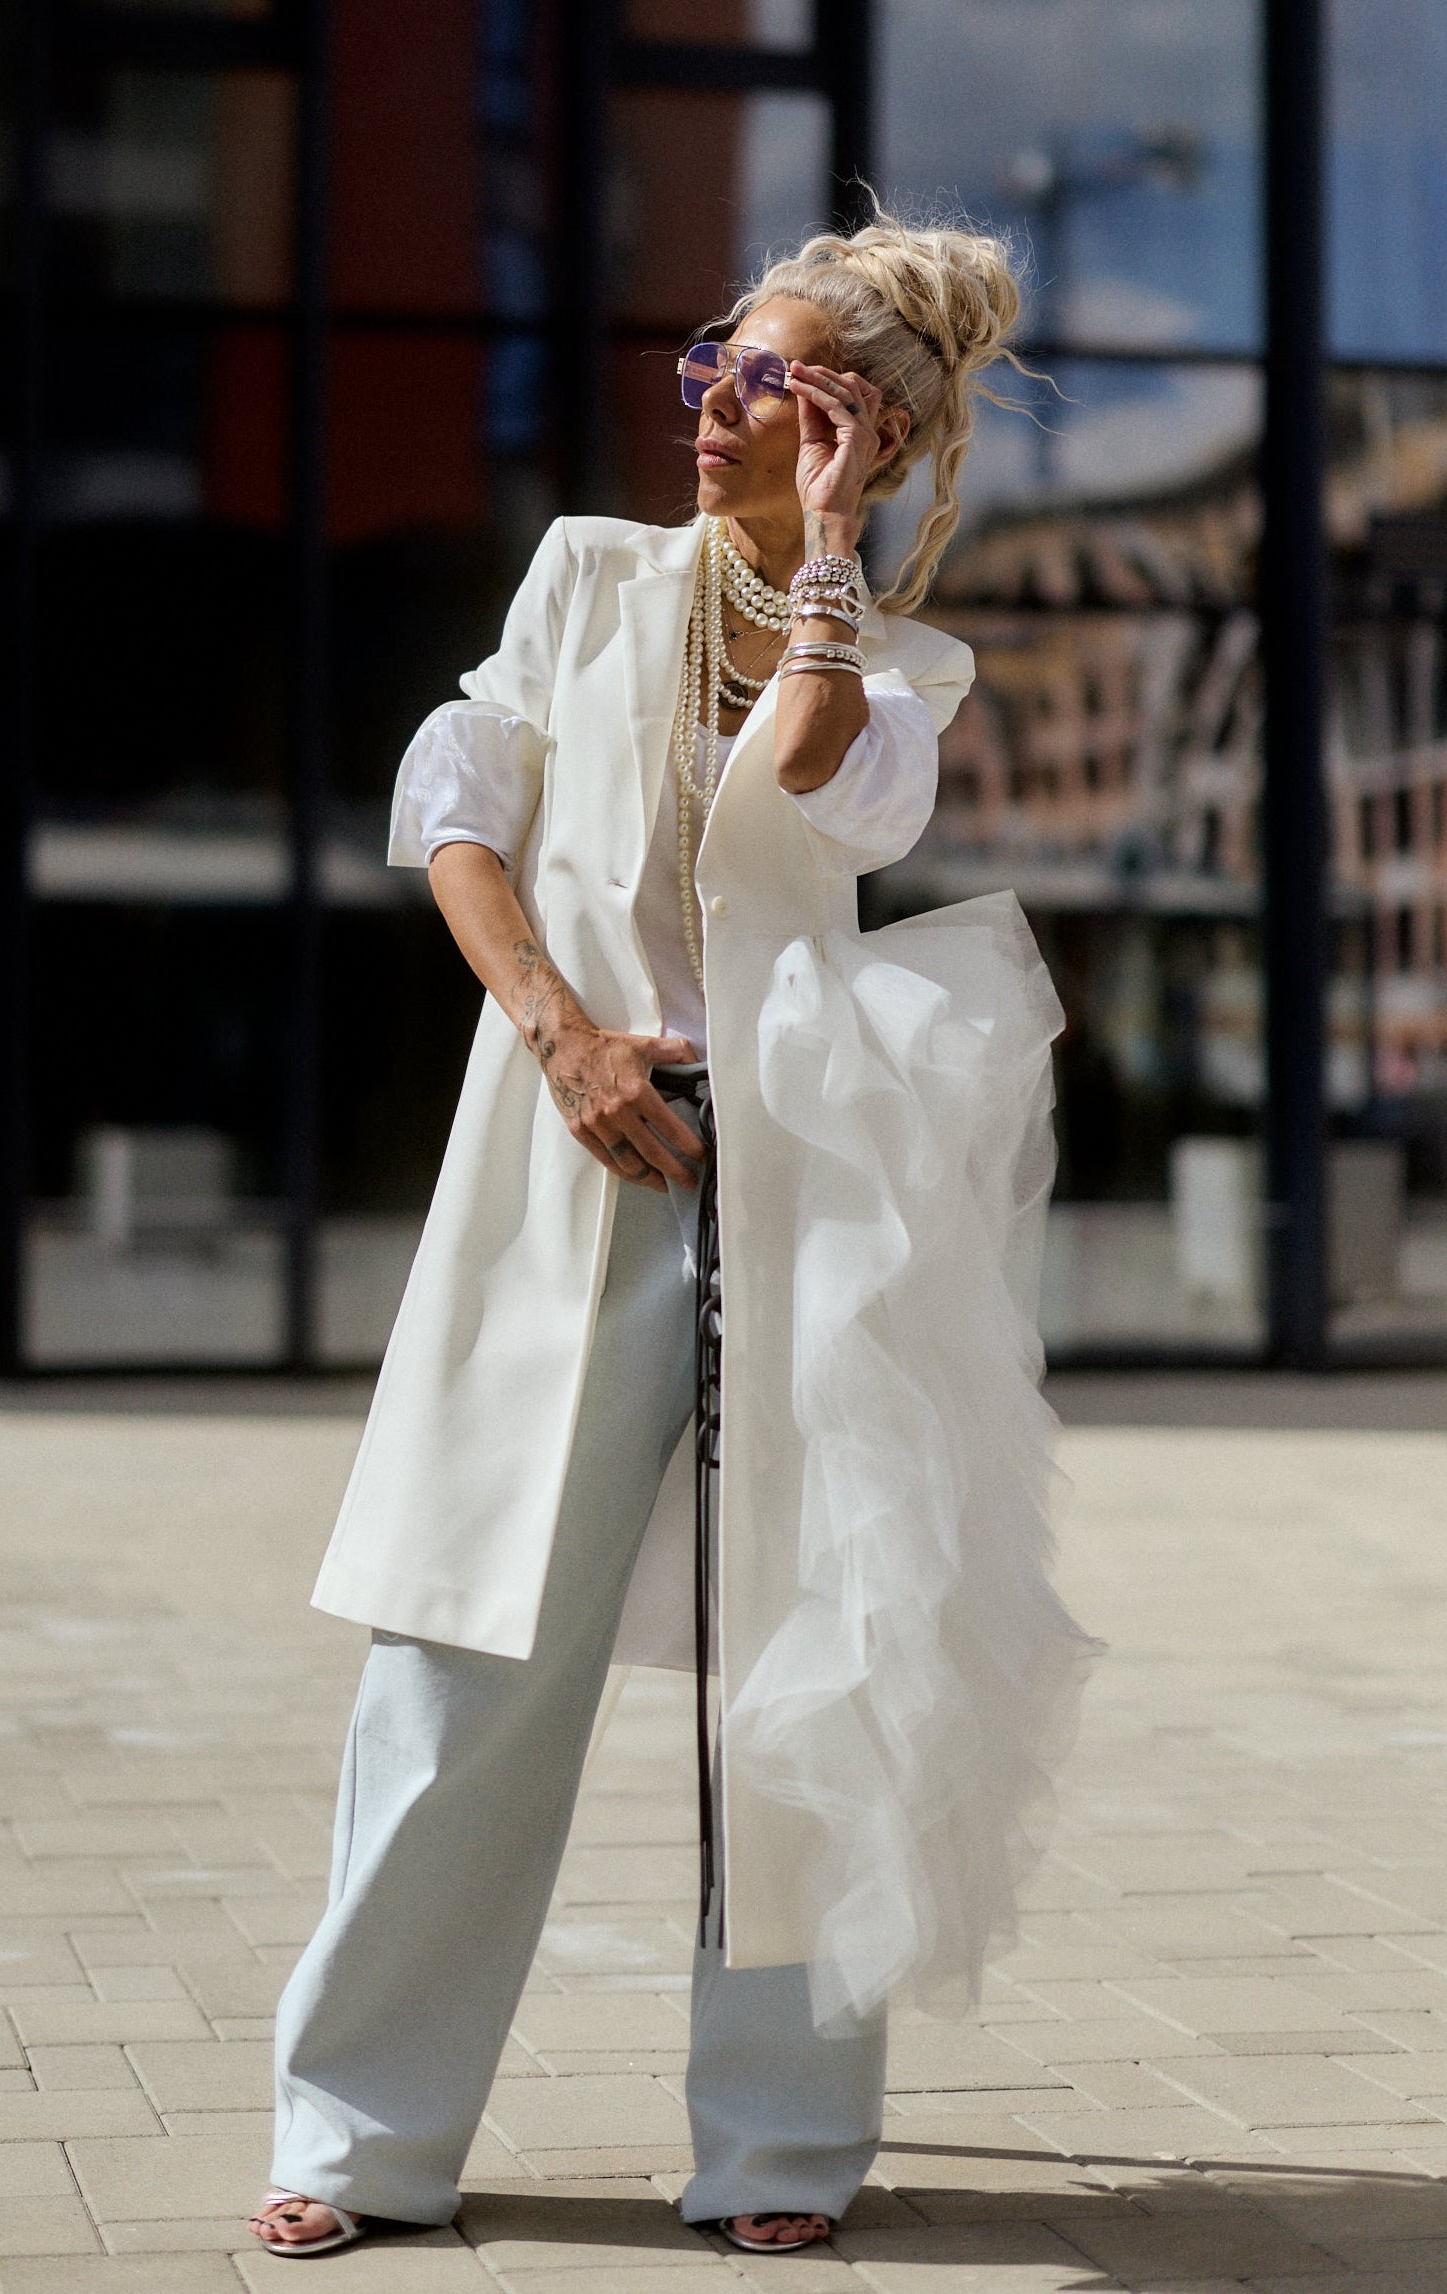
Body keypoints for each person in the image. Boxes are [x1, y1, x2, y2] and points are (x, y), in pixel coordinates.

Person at [248, 206, 1098, 2261]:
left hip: (807, 1188)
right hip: (570, 1154)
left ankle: (782, 2147)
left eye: (761, 380)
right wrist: (555, 1033)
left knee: (803, 1663)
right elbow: (454, 804)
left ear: (857, 434)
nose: (704, 401)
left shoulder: (901, 656)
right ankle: (353, 2135)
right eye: (706, 364)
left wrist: (823, 550)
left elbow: (812, 781)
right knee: (461, 1659)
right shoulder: (583, 578)